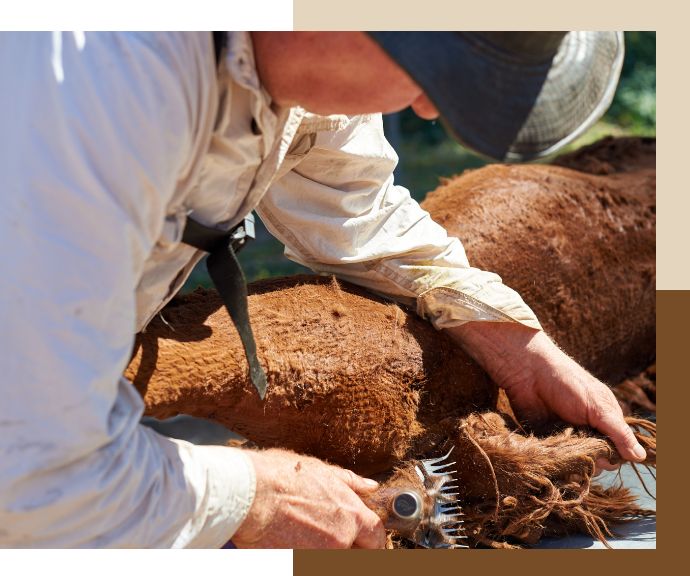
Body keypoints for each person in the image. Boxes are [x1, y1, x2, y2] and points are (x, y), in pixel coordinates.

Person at [0, 31, 645, 549]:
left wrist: (518, 342)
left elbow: (357, 207)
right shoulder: (98, 88)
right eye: (432, 66)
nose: (426, 107)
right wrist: (255, 496)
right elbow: (31, 473)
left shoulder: (300, 62)